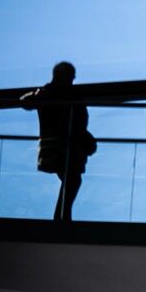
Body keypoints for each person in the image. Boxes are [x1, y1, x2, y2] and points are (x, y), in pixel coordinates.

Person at [20, 62, 96, 222]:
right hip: (59, 147)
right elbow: (26, 102)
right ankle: (61, 216)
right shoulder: (50, 93)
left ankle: (62, 216)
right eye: (70, 75)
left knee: (72, 180)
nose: (73, 78)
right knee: (73, 180)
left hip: (66, 146)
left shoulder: (59, 93)